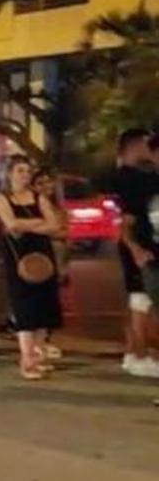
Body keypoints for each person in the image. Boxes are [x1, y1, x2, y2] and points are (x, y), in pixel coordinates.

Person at [0, 155, 64, 380]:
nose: (25, 175)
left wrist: (27, 226)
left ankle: (39, 355)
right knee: (24, 305)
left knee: (44, 304)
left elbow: (55, 225)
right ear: (9, 173)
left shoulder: (38, 197)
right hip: (18, 256)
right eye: (20, 171)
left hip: (42, 254)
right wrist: (38, 224)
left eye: (27, 171)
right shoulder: (1, 198)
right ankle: (27, 359)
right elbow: (10, 223)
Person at [108, 129, 159, 378]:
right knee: (142, 303)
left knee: (137, 301)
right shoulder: (134, 179)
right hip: (142, 246)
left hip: (140, 245)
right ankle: (140, 355)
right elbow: (126, 220)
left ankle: (132, 354)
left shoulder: (127, 176)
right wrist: (136, 248)